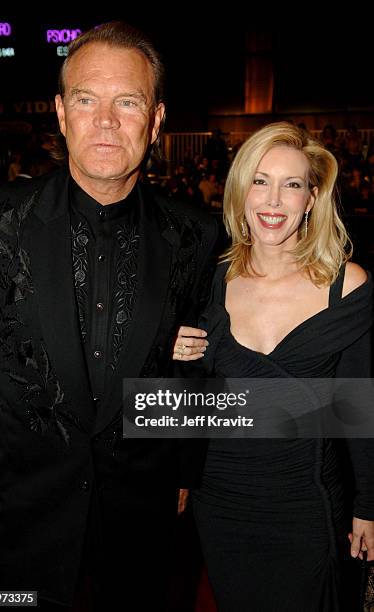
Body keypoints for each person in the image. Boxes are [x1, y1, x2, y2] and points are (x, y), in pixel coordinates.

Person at [0, 21, 218, 611]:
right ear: (60, 112)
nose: (106, 121)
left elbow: (193, 368)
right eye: (87, 99)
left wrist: (183, 469)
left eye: (127, 102)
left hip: (144, 519)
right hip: (17, 524)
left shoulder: (197, 234)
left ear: (155, 120)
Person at [173, 122, 374, 611]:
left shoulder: (344, 286)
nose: (273, 201)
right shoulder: (208, 279)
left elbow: (358, 405)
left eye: (292, 185)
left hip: (303, 505)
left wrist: (369, 504)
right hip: (220, 503)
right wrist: (174, 358)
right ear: (241, 191)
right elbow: (195, 401)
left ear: (311, 199)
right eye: (260, 181)